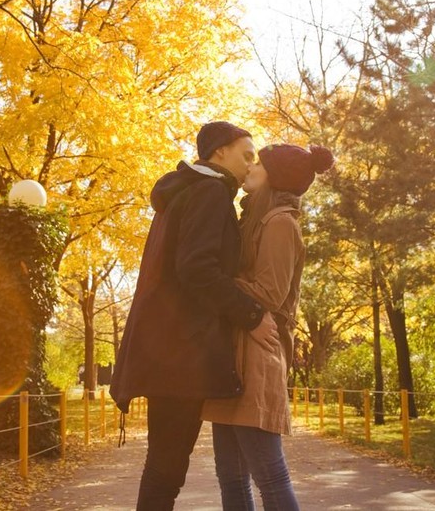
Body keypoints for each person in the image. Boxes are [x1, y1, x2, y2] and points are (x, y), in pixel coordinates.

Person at [110, 121, 281, 511]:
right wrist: (252, 315)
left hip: (170, 350)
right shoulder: (209, 192)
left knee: (163, 468)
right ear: (220, 152)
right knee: (166, 471)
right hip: (180, 355)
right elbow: (197, 270)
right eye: (246, 155)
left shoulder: (187, 192)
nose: (250, 165)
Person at [202, 142, 335, 511]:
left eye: (259, 162)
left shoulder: (280, 224)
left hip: (258, 354)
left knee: (270, 477)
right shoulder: (254, 219)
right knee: (230, 477)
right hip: (234, 352)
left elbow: (270, 293)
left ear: (274, 177)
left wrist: (215, 283)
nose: (251, 167)